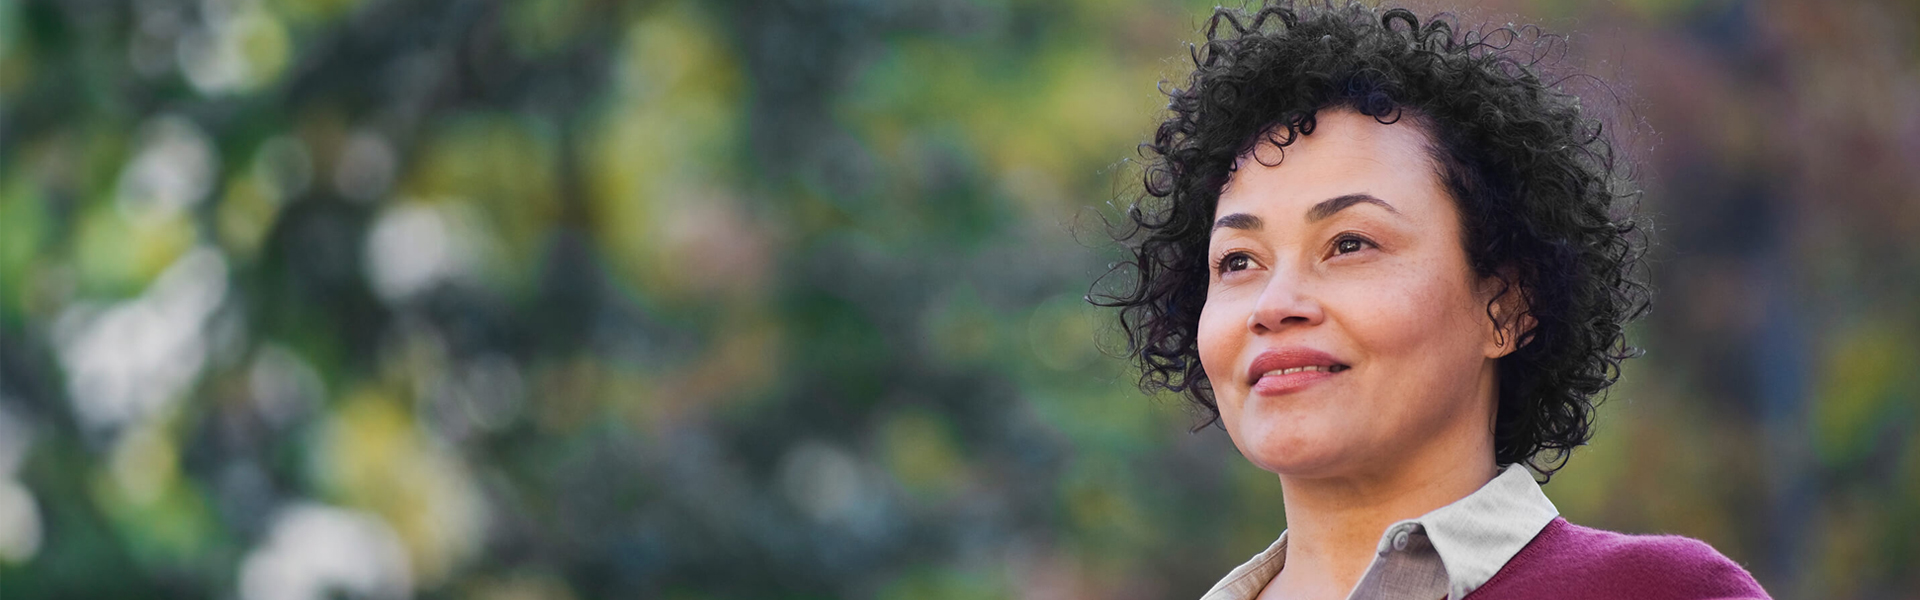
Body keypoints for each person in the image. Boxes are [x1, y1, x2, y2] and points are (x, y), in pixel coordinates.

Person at [1093, 2, 1770, 599]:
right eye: (1238, 261)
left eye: (1350, 244)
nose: (1276, 303)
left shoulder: (1658, 594)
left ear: (1505, 307)